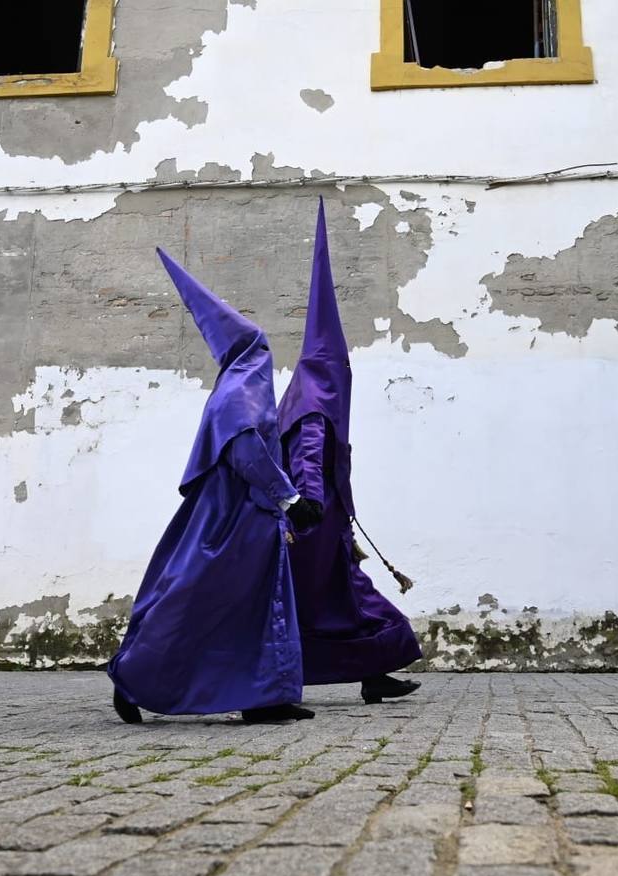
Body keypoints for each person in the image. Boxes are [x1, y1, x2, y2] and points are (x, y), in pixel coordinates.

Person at [109, 249, 323, 725]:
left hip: (246, 515)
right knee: (199, 598)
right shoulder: (242, 387)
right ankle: (135, 677)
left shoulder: (235, 383)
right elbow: (246, 450)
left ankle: (266, 697)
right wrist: (288, 495)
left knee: (254, 603)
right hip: (234, 518)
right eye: (263, 348)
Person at [278, 200, 424, 705]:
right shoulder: (316, 404)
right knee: (342, 599)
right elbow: (308, 453)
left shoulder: (303, 396)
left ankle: (375, 672)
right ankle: (364, 667)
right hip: (314, 527)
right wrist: (316, 504)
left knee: (339, 601)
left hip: (322, 525)